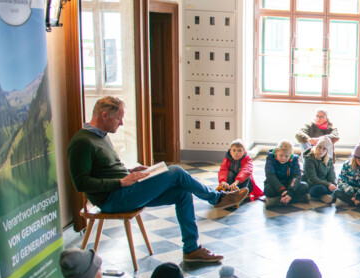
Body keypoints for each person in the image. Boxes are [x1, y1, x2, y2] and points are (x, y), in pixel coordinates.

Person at [68, 96, 246, 264]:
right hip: (112, 199)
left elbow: (106, 171)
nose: (121, 123)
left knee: (183, 193)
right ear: (104, 115)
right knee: (176, 171)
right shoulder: (82, 142)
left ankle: (191, 250)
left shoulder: (102, 136)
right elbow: (81, 183)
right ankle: (217, 198)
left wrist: (130, 172)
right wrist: (122, 182)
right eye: (118, 118)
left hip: (123, 190)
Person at [263, 140, 309, 208]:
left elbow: (296, 176)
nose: (283, 158)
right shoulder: (270, 158)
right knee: (268, 190)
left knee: (305, 186)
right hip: (275, 186)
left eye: (286, 156)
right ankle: (299, 198)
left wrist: (290, 192)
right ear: (277, 151)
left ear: (290, 154)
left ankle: (276, 201)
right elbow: (270, 176)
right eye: (281, 155)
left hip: (289, 185)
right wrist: (282, 190)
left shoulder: (294, 159)